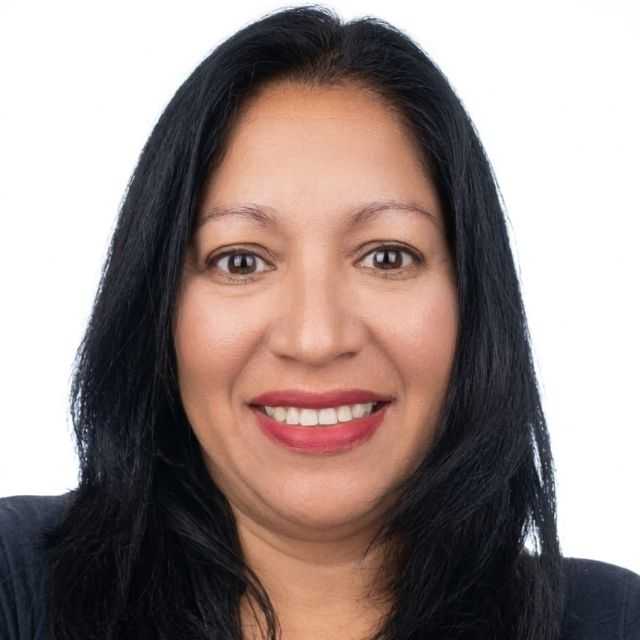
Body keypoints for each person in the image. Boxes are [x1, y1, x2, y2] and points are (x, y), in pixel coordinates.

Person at [1, 5, 639, 640]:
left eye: (387, 256)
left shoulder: (611, 621)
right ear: (157, 303)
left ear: (472, 299)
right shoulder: (18, 585)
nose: (316, 339)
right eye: (241, 261)